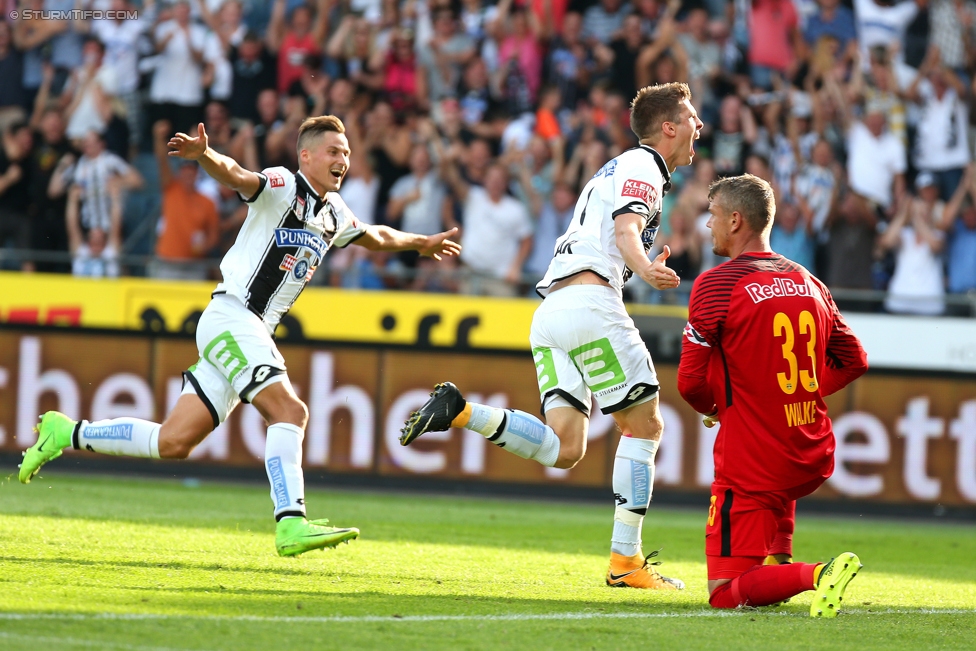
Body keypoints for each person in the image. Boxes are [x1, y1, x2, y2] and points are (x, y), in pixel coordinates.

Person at [19, 115, 462, 558]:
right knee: (290, 410)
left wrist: (419, 242)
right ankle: (291, 522)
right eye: (333, 151)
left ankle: (65, 432)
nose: (342, 159)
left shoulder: (334, 213)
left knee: (173, 442)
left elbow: (376, 236)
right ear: (305, 155)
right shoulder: (285, 185)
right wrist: (205, 155)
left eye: (346, 153)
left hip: (248, 328)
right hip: (232, 315)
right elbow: (240, 176)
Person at [400, 82, 703, 590]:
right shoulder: (644, 165)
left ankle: (461, 411)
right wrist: (646, 270)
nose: (700, 126)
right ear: (668, 127)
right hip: (590, 302)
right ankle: (625, 562)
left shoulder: (618, 168)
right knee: (645, 426)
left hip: (552, 311)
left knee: (566, 449)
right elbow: (627, 231)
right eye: (692, 118)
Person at [676, 173, 868, 615]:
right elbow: (855, 360)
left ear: (736, 220)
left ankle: (817, 573)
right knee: (773, 498)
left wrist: (716, 407)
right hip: (808, 449)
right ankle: (780, 563)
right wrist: (794, 394)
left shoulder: (716, 285)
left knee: (725, 592)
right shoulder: (809, 281)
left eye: (713, 215)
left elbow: (690, 384)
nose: (708, 225)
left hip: (754, 459)